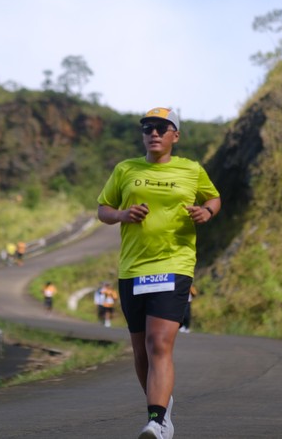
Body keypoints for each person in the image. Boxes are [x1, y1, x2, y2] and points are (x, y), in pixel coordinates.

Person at [97, 107, 221, 439]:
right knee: (141, 352)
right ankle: (162, 404)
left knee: (158, 343)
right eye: (147, 127)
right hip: (133, 268)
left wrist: (206, 212)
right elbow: (103, 210)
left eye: (161, 128)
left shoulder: (191, 169)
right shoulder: (126, 169)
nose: (153, 133)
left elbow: (214, 198)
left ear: (175, 136)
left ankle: (157, 420)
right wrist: (122, 214)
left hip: (174, 264)